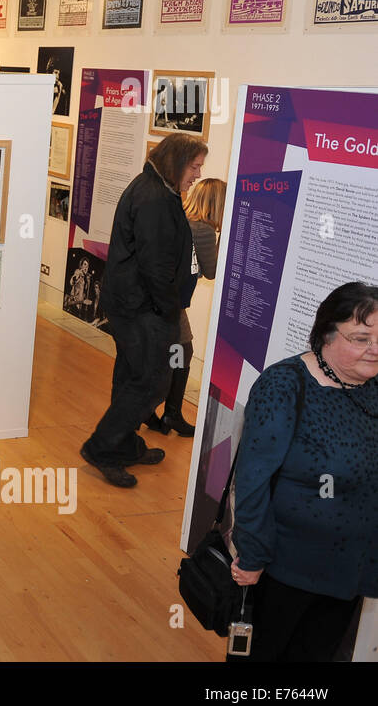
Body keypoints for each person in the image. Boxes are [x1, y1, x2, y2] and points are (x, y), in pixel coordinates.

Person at [230, 282, 378, 661]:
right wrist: (251, 556)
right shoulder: (285, 386)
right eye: (361, 337)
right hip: (287, 570)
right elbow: (252, 482)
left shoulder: (372, 387)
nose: (375, 348)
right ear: (326, 334)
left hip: (351, 569)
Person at [80, 133, 207, 488]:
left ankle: (124, 445)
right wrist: (170, 309)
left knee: (131, 377)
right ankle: (102, 448)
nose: (197, 174)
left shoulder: (155, 187)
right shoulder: (154, 197)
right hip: (143, 307)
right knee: (150, 381)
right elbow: (155, 265)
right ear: (177, 162)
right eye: (194, 166)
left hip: (135, 304)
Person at [147, 177, 226, 437]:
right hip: (170, 305)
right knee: (180, 352)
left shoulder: (179, 219)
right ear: (217, 204)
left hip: (157, 300)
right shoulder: (202, 230)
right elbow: (213, 271)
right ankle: (161, 410)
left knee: (175, 353)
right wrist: (224, 238)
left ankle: (166, 411)